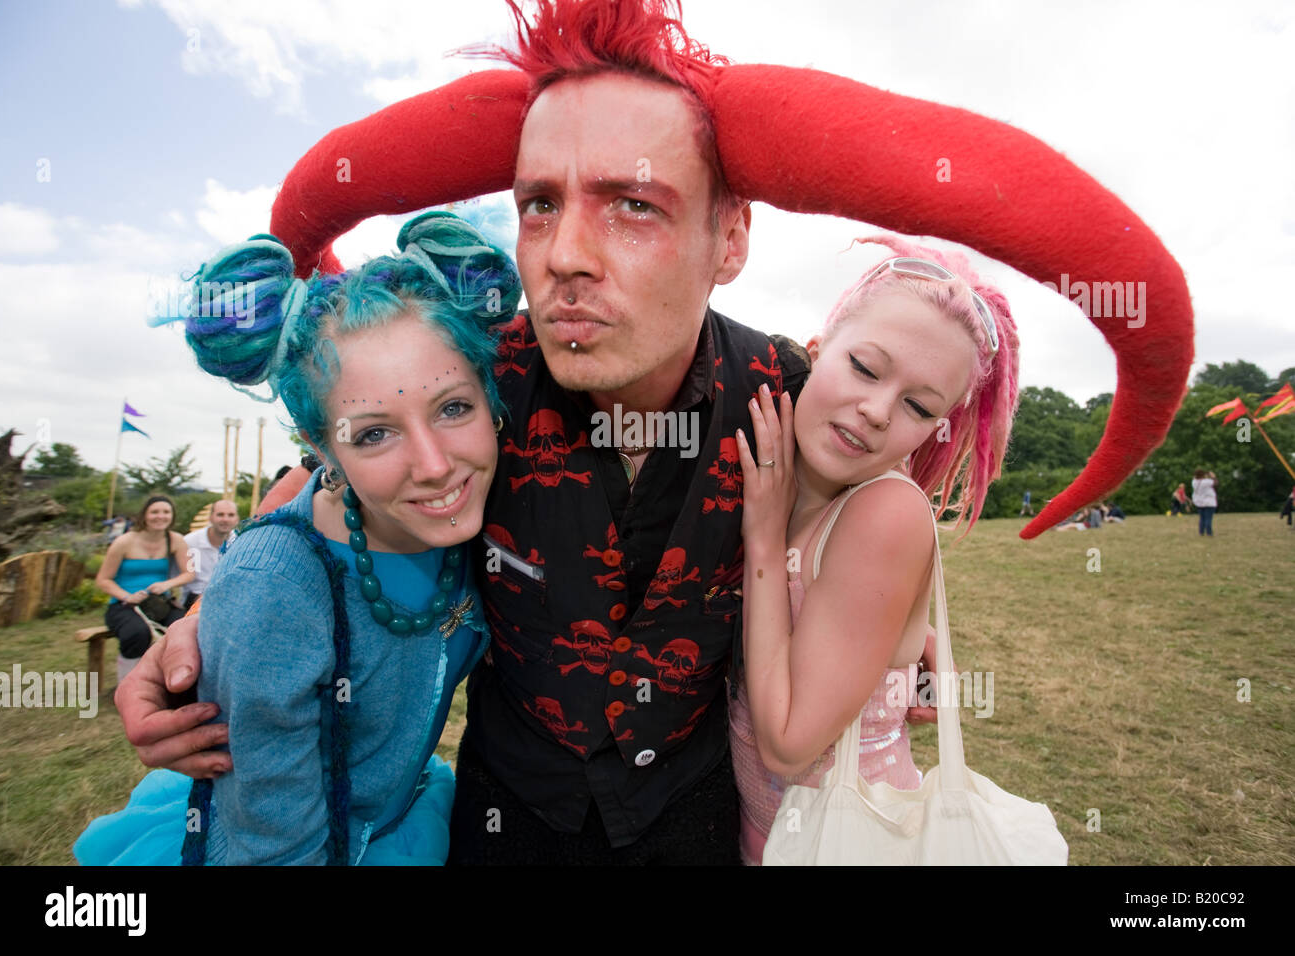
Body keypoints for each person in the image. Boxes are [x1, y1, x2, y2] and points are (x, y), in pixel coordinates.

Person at [113, 0, 1179, 865]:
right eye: (538, 203)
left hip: (691, 814)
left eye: (632, 205)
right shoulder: (474, 383)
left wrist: (904, 642)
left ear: (730, 237)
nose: (565, 253)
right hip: (505, 811)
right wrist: (202, 621)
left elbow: (869, 487)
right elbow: (350, 471)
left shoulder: (793, 388)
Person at [75, 211, 515, 864]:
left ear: (492, 396)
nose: (433, 465)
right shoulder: (275, 592)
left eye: (453, 407)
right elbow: (275, 848)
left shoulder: (455, 518)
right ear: (320, 450)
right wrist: (220, 611)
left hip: (400, 815)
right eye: (374, 433)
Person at [728, 239, 1018, 864]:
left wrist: (761, 537)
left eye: (918, 406)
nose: (878, 410)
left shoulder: (887, 512)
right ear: (816, 349)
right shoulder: (761, 459)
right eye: (864, 366)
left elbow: (787, 744)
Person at [94, 496, 194, 684]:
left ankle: (172, 682)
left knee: (184, 628)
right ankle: (128, 684)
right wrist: (127, 596)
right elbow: (103, 580)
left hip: (159, 603)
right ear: (145, 516)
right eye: (155, 512)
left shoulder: (175, 540)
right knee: (137, 632)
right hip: (124, 605)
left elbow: (189, 573)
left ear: (172, 516)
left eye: (166, 512)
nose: (160, 516)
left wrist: (166, 585)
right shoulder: (124, 542)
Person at [179, 499, 239, 611]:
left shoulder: (240, 543)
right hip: (194, 596)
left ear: (237, 519)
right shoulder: (189, 542)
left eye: (231, 515)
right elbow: (180, 575)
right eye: (220, 515)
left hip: (228, 596)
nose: (225, 519)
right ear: (210, 517)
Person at [1192, 468, 1217, 536]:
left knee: (1202, 518)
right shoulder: (1206, 481)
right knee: (1208, 518)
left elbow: (1195, 477)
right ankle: (1209, 532)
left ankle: (1201, 532)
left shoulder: (1194, 482)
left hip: (1200, 503)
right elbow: (1215, 483)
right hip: (1209, 502)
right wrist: (1213, 476)